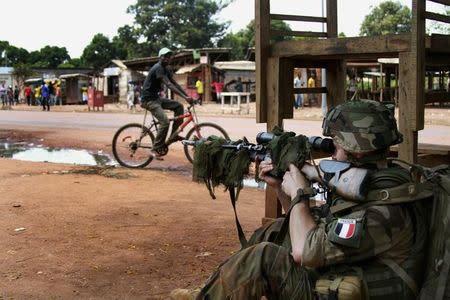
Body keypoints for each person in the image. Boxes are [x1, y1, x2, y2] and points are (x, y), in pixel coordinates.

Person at [190, 99, 426, 300]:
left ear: (358, 148)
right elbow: (310, 226)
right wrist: (282, 187)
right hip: (344, 275)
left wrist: (300, 193)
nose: (331, 151)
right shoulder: (377, 181)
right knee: (275, 230)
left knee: (264, 257)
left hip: (349, 289)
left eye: (336, 144)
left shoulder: (385, 209)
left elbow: (304, 250)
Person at [140, 47, 193, 159]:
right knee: (164, 122)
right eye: (165, 56)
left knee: (179, 106)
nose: (167, 58)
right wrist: (184, 97)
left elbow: (175, 84)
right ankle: (154, 149)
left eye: (169, 56)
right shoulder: (158, 68)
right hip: (148, 100)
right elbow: (169, 85)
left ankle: (174, 135)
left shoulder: (166, 69)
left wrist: (187, 96)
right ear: (160, 57)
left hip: (156, 98)